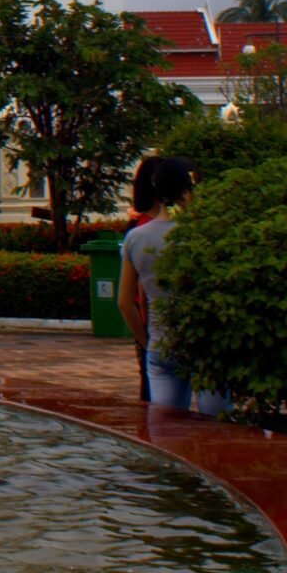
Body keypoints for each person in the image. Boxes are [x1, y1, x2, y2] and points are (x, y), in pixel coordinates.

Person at [118, 156, 226, 416]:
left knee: (166, 432)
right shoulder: (204, 234)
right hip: (205, 346)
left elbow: (125, 303)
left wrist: (148, 342)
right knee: (218, 427)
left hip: (161, 345)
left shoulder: (136, 237)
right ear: (187, 192)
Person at [120, 157, 161, 403]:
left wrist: (144, 342)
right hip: (155, 323)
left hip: (148, 328)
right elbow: (136, 297)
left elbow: (126, 302)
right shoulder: (150, 228)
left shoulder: (137, 228)